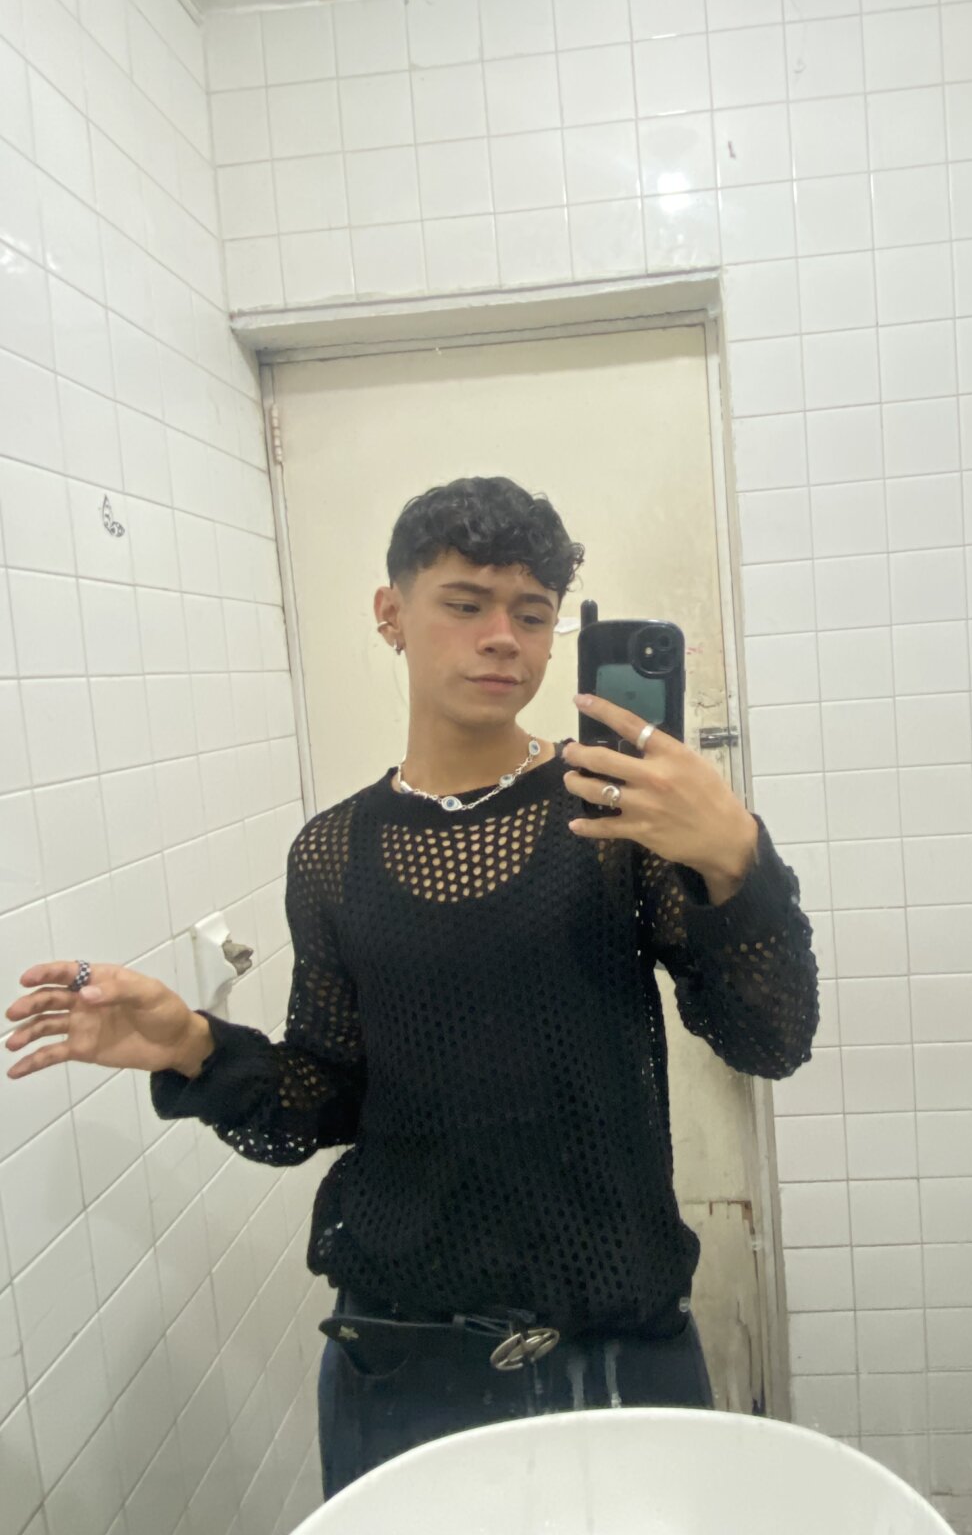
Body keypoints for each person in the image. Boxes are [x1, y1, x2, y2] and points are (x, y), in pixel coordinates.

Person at [6, 476, 819, 1500]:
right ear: (391, 612)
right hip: (400, 1357)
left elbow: (768, 1037)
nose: (502, 638)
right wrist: (193, 1047)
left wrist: (736, 860)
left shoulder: (615, 820)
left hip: (614, 1341)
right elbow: (328, 1094)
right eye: (466, 603)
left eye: (532, 615)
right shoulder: (332, 854)